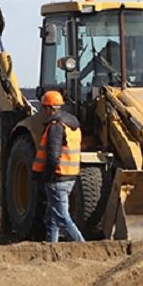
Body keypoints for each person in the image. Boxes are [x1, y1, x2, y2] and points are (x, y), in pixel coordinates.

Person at [32, 90, 85, 243]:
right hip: (70, 176)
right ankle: (51, 245)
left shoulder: (56, 126)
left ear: (50, 108)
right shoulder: (71, 125)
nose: (42, 111)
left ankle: (82, 245)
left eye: (43, 107)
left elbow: (53, 156)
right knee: (51, 217)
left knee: (62, 217)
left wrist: (47, 177)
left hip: (57, 178)